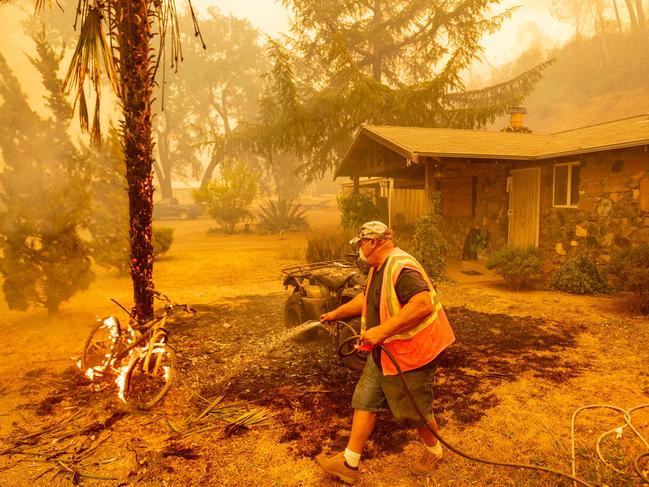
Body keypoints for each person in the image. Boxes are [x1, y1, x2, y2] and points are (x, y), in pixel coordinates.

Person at [317, 221, 455, 485]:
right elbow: (366, 299)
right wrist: (336, 314)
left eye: (360, 244)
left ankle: (434, 452)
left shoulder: (401, 267)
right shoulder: (378, 267)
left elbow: (423, 304)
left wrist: (382, 331)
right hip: (385, 352)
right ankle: (349, 463)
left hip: (413, 353)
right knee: (364, 401)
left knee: (414, 412)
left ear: (373, 242)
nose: (358, 249)